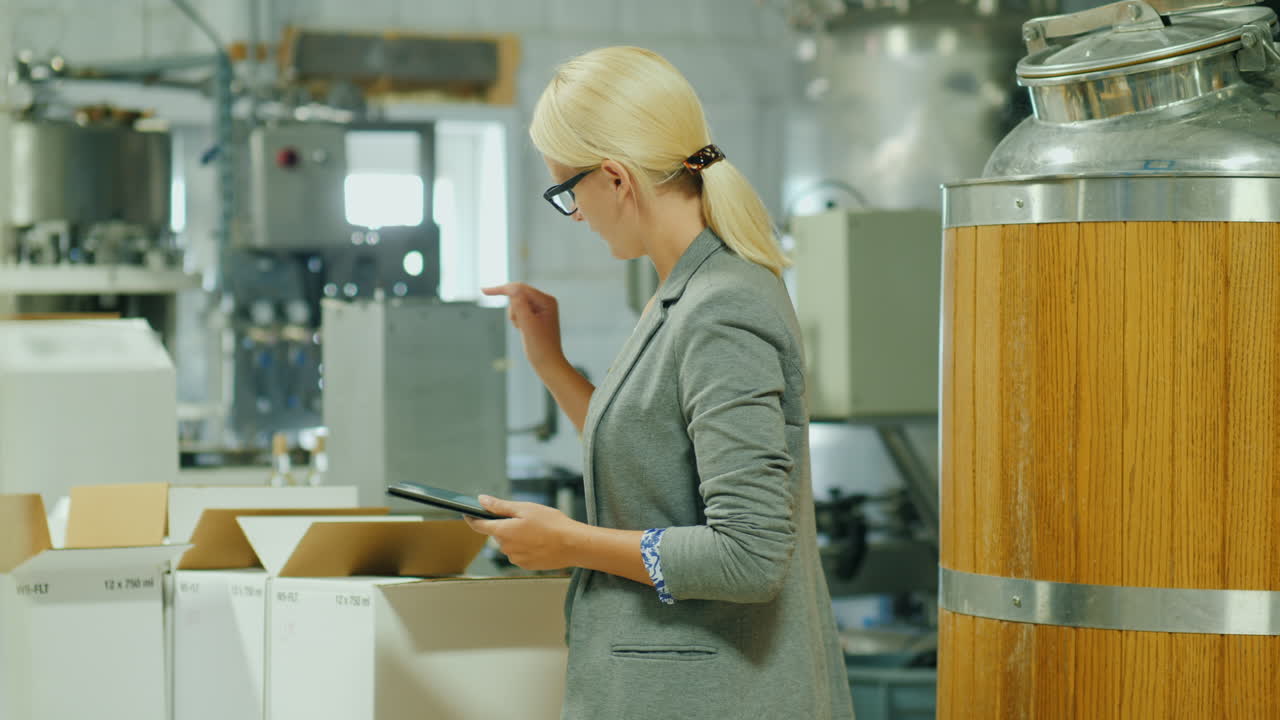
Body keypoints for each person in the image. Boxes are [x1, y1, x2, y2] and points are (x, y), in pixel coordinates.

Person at [465, 46, 854, 720]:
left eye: (566, 190)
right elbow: (653, 460)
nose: (574, 212)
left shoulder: (721, 307)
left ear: (615, 179)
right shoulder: (684, 289)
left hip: (720, 694)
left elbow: (748, 556)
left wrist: (569, 542)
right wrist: (550, 363)